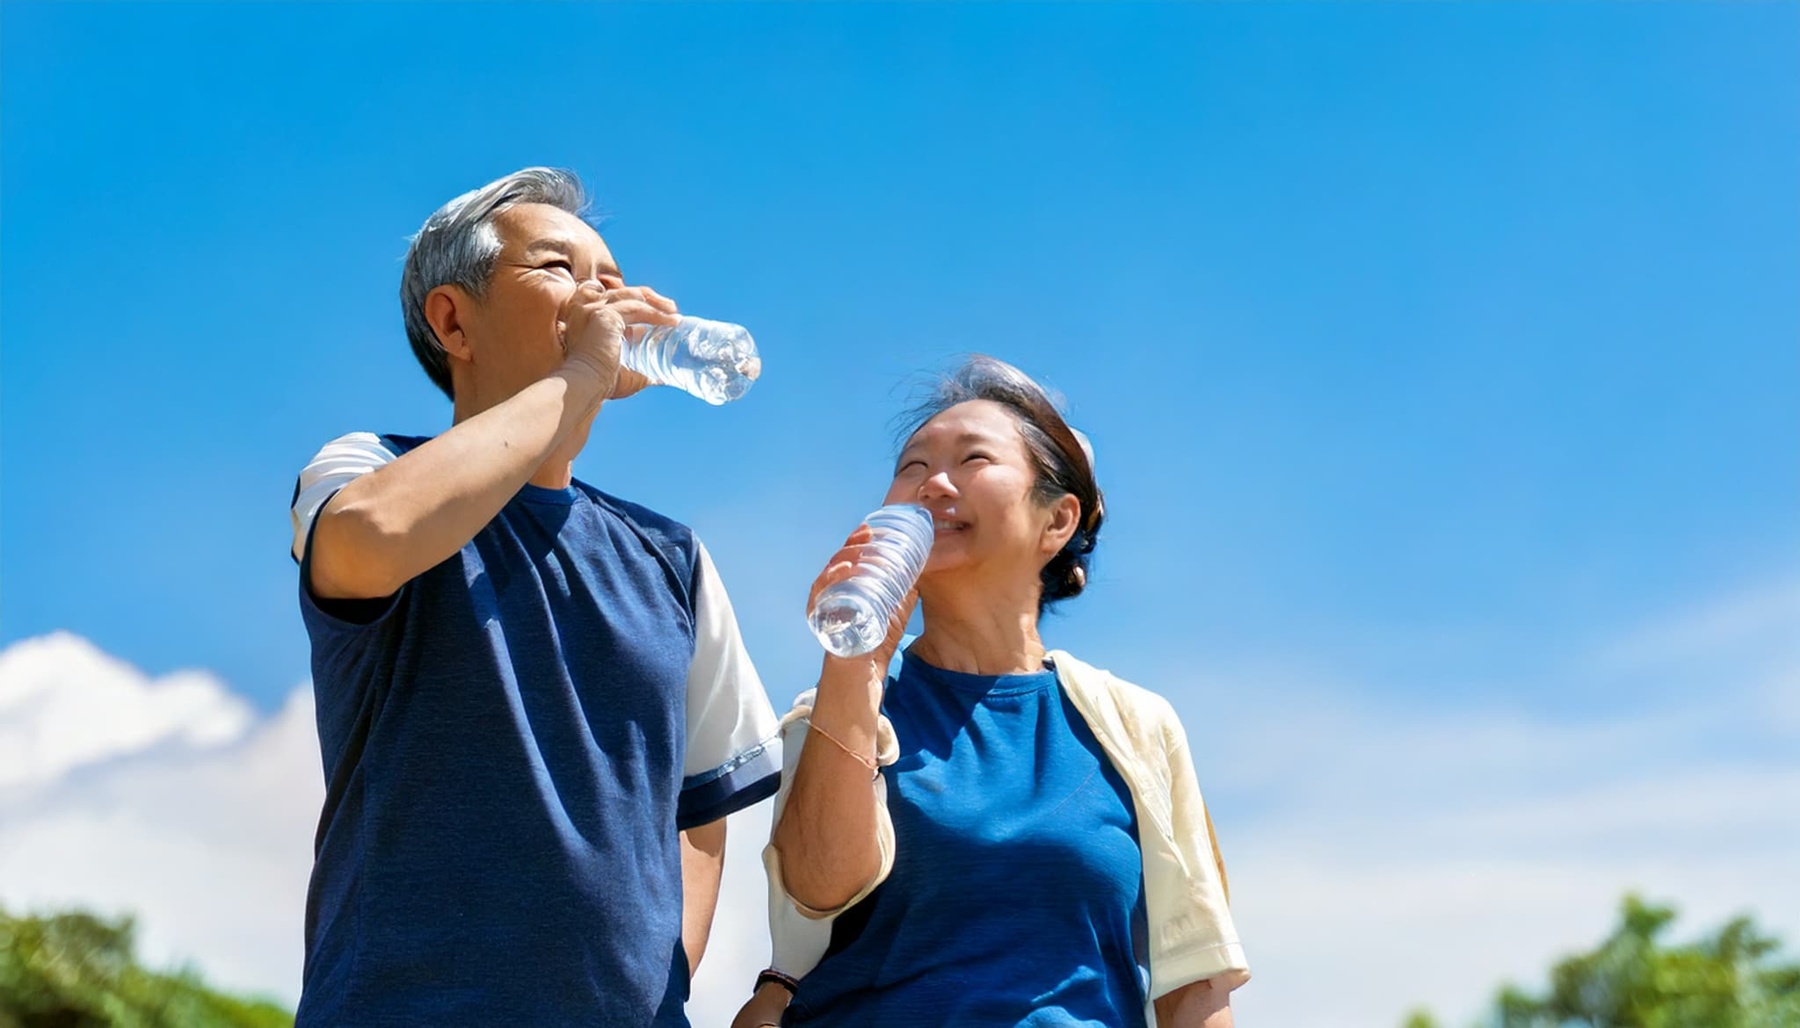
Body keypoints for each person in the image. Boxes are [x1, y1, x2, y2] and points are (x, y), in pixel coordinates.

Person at [287, 167, 781, 1027]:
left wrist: (661, 988)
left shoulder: (673, 557)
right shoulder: (367, 466)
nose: (602, 296)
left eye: (613, 280)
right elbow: (368, 541)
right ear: (453, 321)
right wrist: (582, 375)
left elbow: (700, 812)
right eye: (559, 268)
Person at [732, 357, 1249, 1028]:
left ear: (1057, 521)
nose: (932, 484)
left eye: (972, 459)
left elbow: (1196, 982)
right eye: (912, 467)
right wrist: (852, 661)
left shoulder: (1137, 726)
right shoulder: (835, 712)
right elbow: (818, 886)